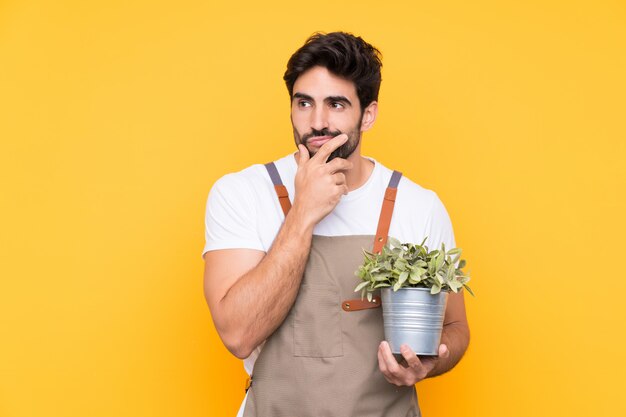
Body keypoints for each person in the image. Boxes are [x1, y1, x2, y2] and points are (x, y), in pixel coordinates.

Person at [202, 31, 470, 417]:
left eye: (337, 104)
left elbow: (457, 328)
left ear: (369, 114)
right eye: (304, 103)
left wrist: (430, 362)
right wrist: (303, 212)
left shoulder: (418, 205)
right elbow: (238, 335)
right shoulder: (241, 193)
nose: (318, 122)